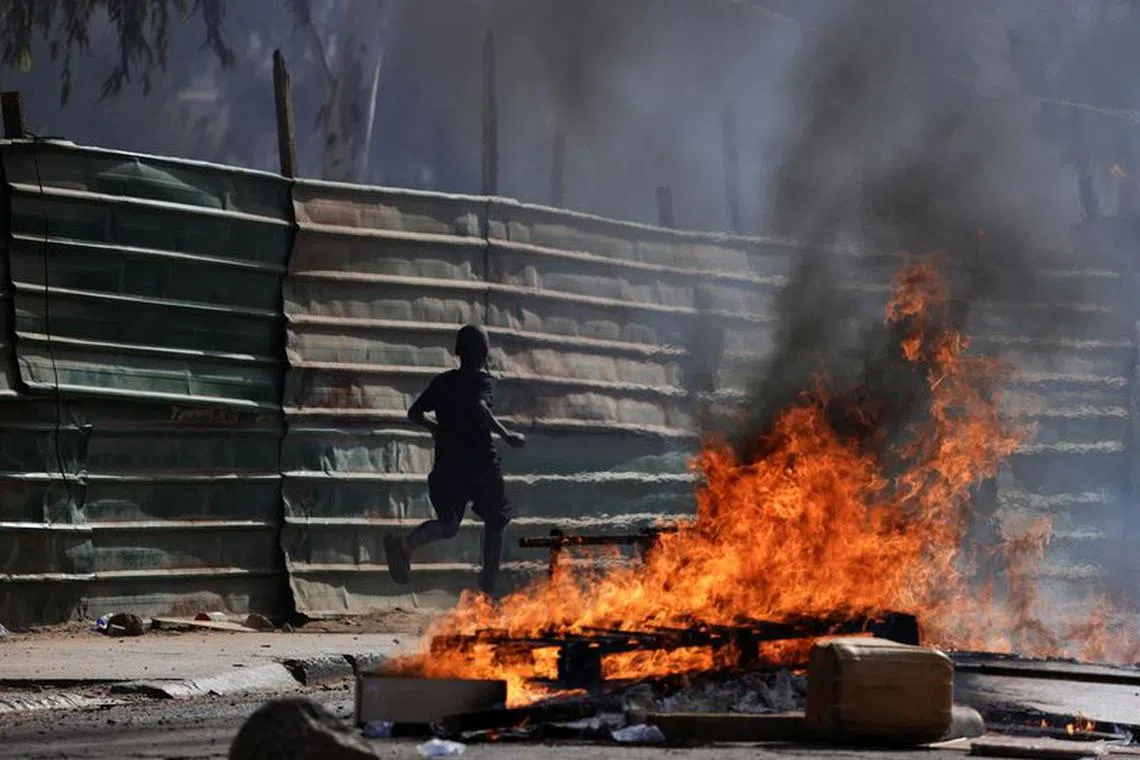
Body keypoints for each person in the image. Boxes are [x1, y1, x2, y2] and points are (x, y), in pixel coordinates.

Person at [384, 324, 526, 597]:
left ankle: (407, 543)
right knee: (496, 521)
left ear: (457, 352)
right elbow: (480, 408)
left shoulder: (443, 382)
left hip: (448, 466)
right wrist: (507, 435)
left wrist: (435, 428)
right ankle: (488, 592)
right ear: (485, 353)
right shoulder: (481, 381)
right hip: (480, 465)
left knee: (448, 525)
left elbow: (414, 413)